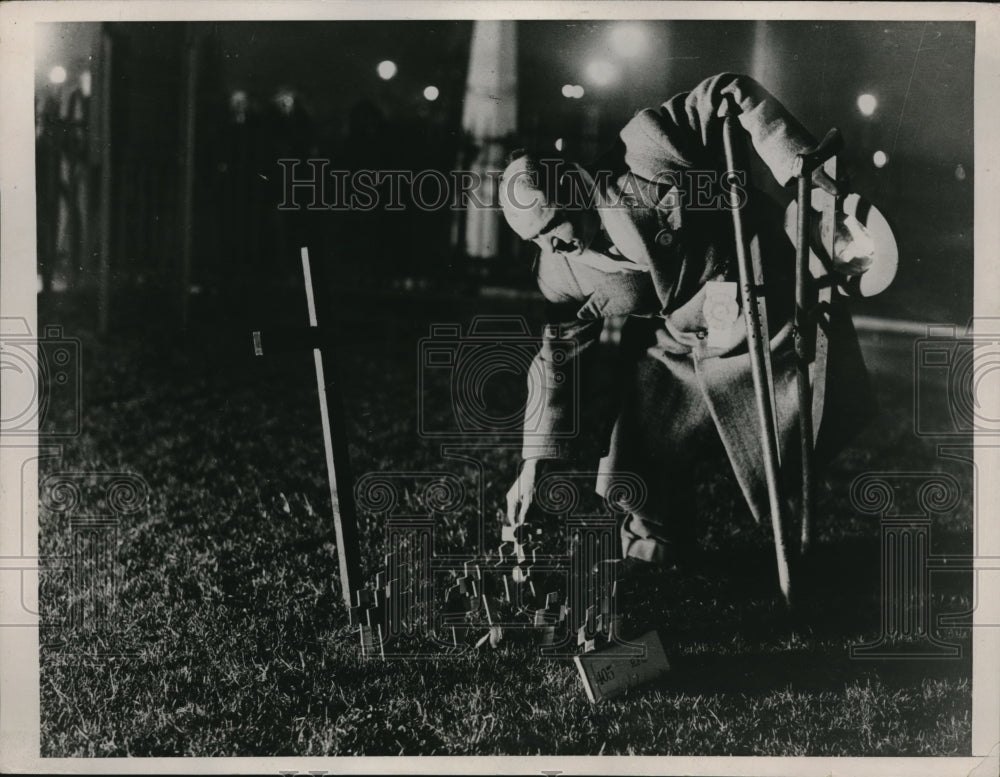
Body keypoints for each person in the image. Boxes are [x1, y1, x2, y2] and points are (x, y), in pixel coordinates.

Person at [499, 72, 874, 574]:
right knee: (638, 435)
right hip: (681, 332)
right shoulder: (559, 271)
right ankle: (655, 542)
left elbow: (727, 91)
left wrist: (795, 162)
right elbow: (557, 355)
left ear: (573, 182)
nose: (553, 244)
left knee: (784, 417)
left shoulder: (647, 146)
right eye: (536, 239)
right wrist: (534, 464)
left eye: (553, 224)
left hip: (755, 289)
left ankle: (789, 513)